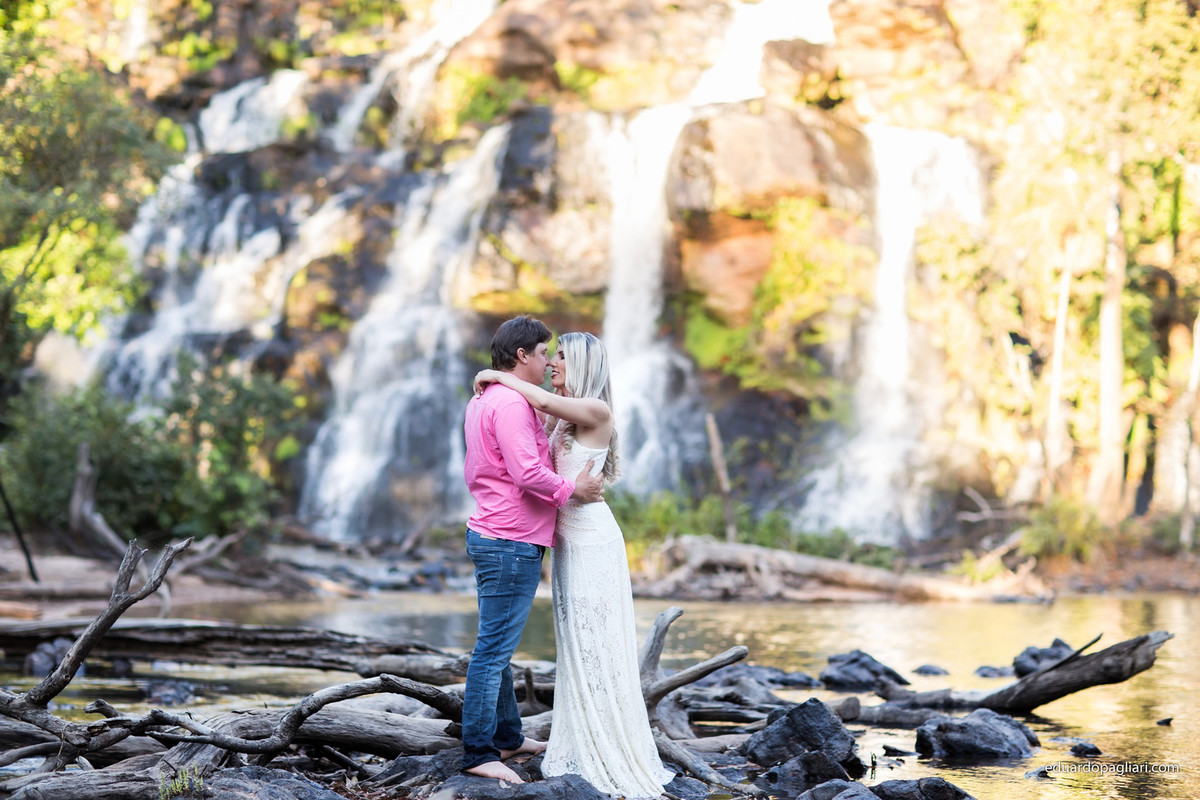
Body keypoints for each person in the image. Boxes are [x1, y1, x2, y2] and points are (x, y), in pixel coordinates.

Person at [474, 331, 674, 798]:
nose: (552, 363)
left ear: (582, 364)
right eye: (551, 355)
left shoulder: (595, 411)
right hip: (567, 546)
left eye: (561, 356)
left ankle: (606, 747)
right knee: (576, 642)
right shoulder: (564, 417)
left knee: (595, 642)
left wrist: (494, 376)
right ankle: (580, 737)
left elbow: (538, 396)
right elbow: (527, 435)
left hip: (592, 545)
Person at [461, 316, 606, 784]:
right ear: (522, 355)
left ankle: (506, 736)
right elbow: (526, 474)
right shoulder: (510, 405)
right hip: (511, 541)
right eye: (544, 353)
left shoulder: (488, 397)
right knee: (492, 652)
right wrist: (573, 491)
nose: (548, 362)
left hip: (495, 533)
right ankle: (479, 751)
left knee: (496, 645)